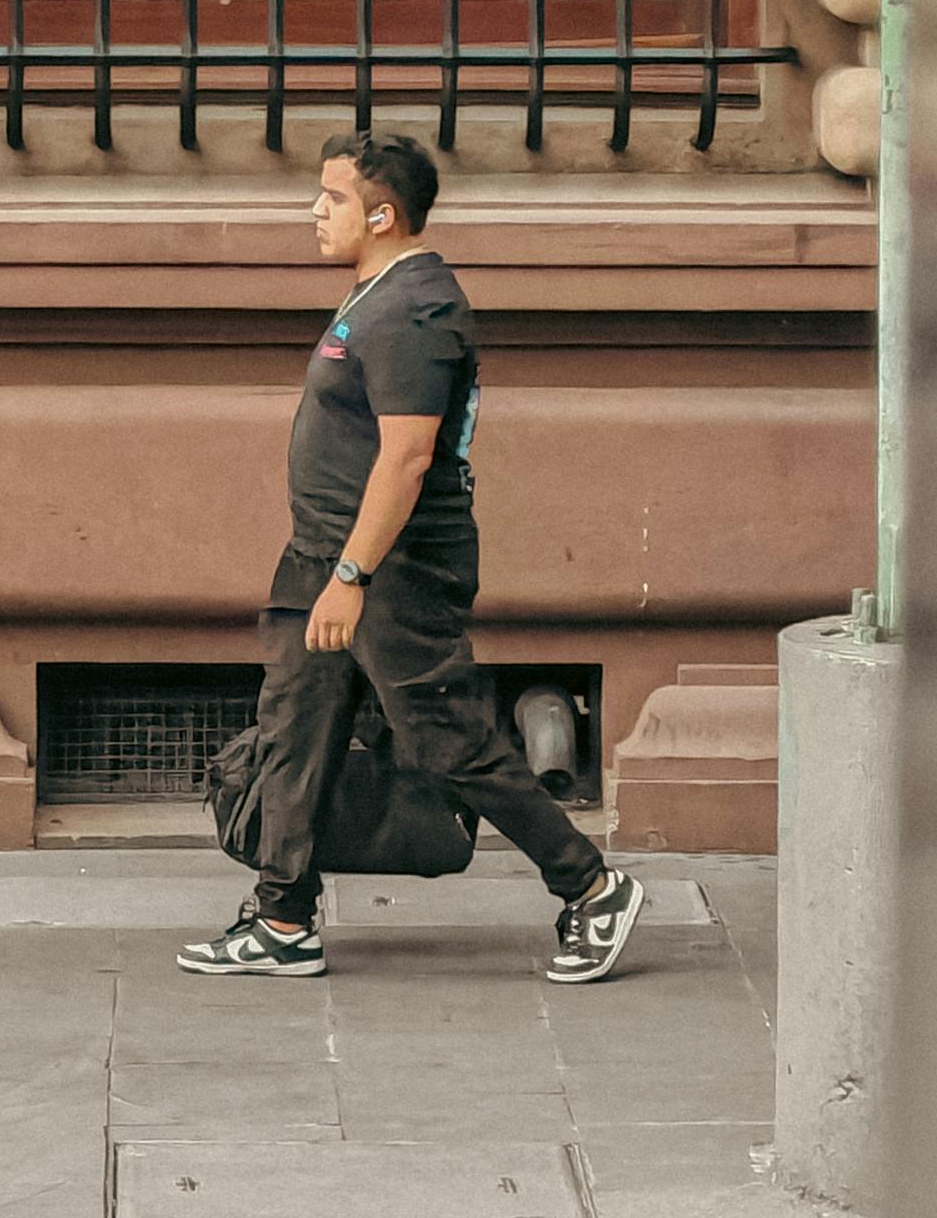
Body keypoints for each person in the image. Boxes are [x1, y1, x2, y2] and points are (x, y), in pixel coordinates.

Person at [179, 132, 646, 986]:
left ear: (383, 213)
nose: (315, 212)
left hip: (387, 570)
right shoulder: (377, 294)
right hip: (321, 556)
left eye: (333, 198)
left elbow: (407, 458)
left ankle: (593, 887)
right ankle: (284, 916)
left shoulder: (416, 310)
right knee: (296, 730)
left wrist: (352, 578)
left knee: (445, 739)